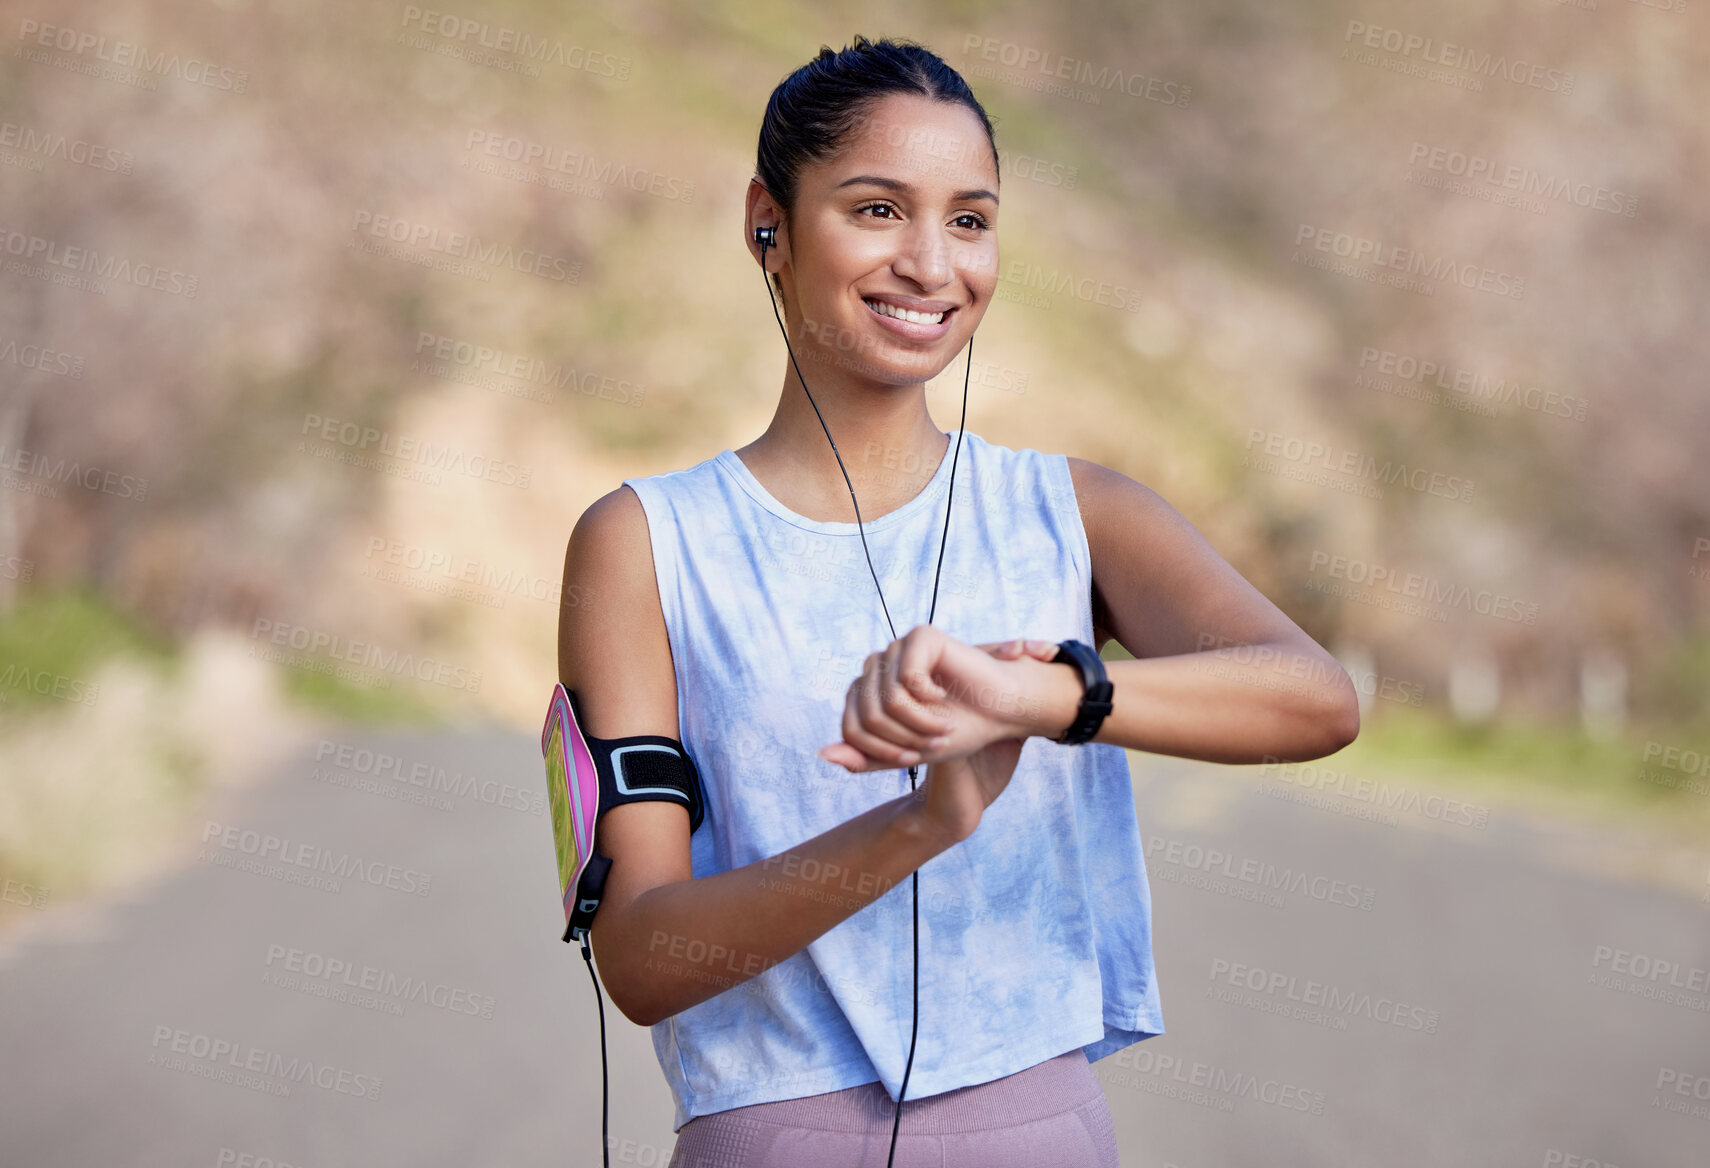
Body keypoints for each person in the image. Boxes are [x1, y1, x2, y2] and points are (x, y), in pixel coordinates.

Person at [556, 34, 1361, 1168]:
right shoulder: (643, 543)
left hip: (1036, 1132)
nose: (933, 264)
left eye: (970, 219)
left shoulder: (1077, 512)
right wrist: (919, 822)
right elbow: (639, 958)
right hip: (771, 1137)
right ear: (766, 222)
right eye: (878, 209)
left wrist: (1043, 696)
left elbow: (1316, 699)